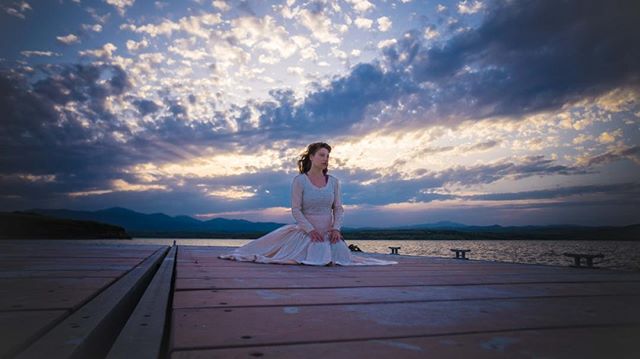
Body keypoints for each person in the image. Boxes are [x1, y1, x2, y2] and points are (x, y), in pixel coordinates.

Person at [219, 142, 396, 266]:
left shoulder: (334, 181)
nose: (326, 158)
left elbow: (338, 208)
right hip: (307, 232)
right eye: (321, 155)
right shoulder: (300, 181)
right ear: (311, 157)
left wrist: (336, 229)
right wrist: (310, 230)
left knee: (342, 258)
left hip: (329, 232)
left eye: (328, 156)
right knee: (316, 256)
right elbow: (296, 210)